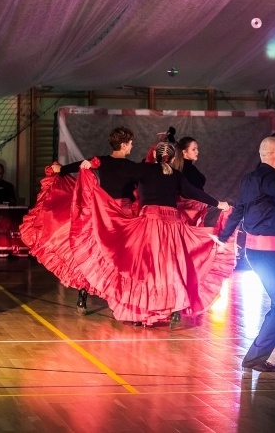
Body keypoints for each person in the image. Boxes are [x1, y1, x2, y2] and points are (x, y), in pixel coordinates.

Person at [71, 141, 232, 325]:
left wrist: (91, 165)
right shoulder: (176, 175)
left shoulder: (143, 170)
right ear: (172, 158)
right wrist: (218, 204)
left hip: (150, 223)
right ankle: (175, 309)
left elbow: (116, 169)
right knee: (171, 269)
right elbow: (194, 192)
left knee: (146, 269)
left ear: (154, 155)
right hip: (172, 226)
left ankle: (142, 312)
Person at [214, 136, 275, 372]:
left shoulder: (251, 179)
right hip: (267, 255)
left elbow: (239, 210)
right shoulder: (269, 178)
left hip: (269, 253)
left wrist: (224, 236)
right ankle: (254, 358)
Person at [28, 127, 143, 314]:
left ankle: (85, 292)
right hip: (121, 216)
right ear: (123, 145)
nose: (132, 146)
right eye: (130, 143)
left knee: (94, 253)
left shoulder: (101, 161)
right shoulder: (131, 166)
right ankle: (121, 298)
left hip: (103, 214)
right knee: (120, 258)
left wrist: (61, 169)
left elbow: (78, 165)